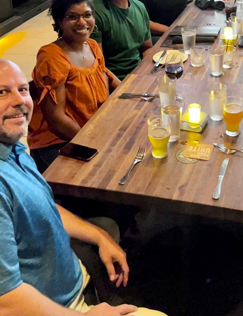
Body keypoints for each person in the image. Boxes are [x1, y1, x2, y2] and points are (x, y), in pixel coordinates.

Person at [0, 58, 166, 315]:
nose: (20, 100)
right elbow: (6, 300)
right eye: (2, 92)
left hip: (76, 281)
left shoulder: (14, 148)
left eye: (22, 89)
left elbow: (40, 207)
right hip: (62, 307)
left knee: (108, 227)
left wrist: (100, 236)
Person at [28, 0, 120, 173]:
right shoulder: (52, 57)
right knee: (102, 177)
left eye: (87, 15)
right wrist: (90, 141)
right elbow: (56, 118)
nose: (82, 23)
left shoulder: (92, 46)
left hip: (91, 129)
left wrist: (137, 95)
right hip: (59, 141)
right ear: (60, 22)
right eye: (72, 17)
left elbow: (107, 77)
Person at [91, 0, 152, 80]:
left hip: (139, 76)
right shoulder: (94, 13)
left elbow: (146, 48)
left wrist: (150, 74)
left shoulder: (139, 7)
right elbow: (97, 67)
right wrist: (125, 88)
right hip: (114, 84)